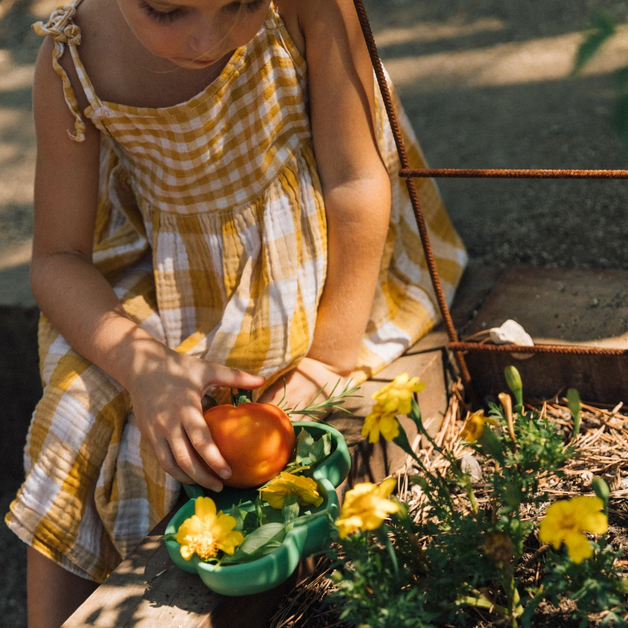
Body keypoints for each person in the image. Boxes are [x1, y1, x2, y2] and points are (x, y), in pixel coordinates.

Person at [6, 0, 467, 625]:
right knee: (73, 413)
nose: (209, 37)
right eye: (167, 11)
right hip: (166, 273)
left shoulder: (309, 9)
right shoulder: (74, 59)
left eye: (244, 3)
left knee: (217, 440)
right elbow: (58, 259)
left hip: (312, 261)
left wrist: (330, 355)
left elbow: (356, 180)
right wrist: (142, 369)